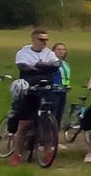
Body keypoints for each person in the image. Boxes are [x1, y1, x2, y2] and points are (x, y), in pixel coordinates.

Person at [9, 27, 61, 164]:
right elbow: (24, 68)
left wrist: (38, 66)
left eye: (46, 40)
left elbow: (56, 65)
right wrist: (45, 67)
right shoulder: (23, 52)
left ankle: (48, 153)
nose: (44, 42)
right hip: (30, 90)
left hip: (46, 88)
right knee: (24, 124)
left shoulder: (49, 53)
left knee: (47, 123)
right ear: (33, 40)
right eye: (41, 39)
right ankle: (17, 154)